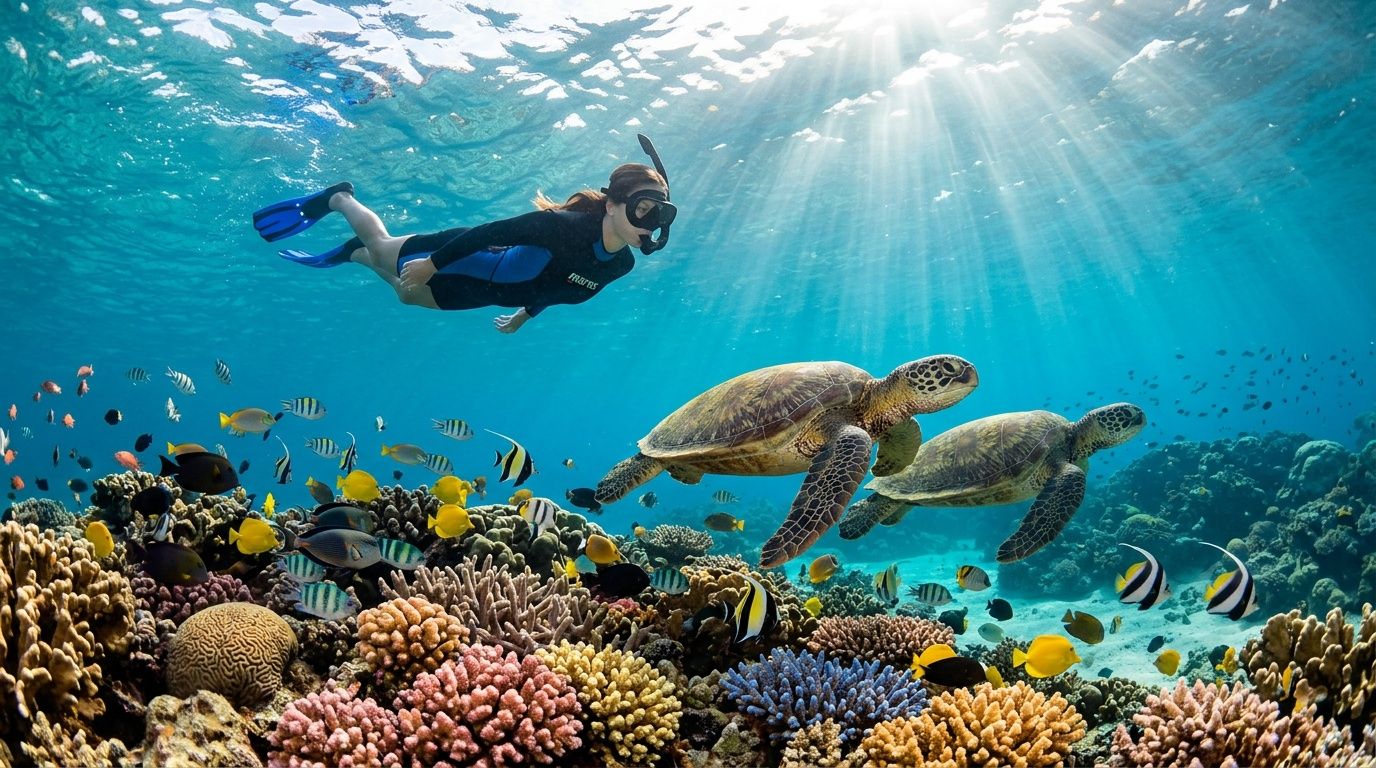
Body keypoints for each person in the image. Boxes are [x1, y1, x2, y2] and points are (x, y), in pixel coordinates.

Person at [251, 135, 676, 333]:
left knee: (405, 296)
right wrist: (433, 263)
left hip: (484, 296)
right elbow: (487, 231)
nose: (650, 224)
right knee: (384, 249)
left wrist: (525, 316)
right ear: (613, 203)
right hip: (459, 254)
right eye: (643, 209)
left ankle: (355, 254)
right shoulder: (561, 227)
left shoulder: (620, 265)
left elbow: (561, 286)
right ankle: (340, 199)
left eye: (660, 216)